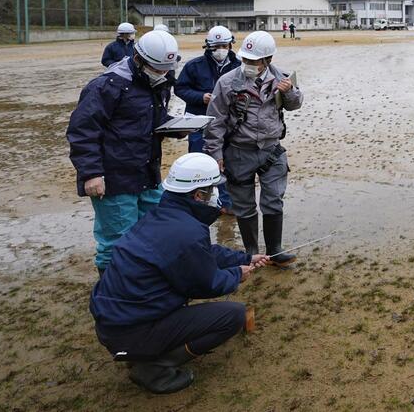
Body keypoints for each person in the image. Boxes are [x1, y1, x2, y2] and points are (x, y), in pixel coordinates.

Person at [90, 153, 269, 394]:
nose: (216, 195)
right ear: (198, 195)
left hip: (116, 324)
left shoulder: (161, 217)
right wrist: (236, 275)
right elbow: (207, 285)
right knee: (233, 316)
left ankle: (143, 349)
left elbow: (201, 252)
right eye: (212, 189)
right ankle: (154, 367)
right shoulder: (187, 231)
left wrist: (244, 258)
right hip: (132, 331)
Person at [68, 30, 180, 274]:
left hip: (147, 172)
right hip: (114, 178)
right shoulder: (106, 86)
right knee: (117, 242)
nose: (162, 74)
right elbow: (82, 131)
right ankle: (113, 297)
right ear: (139, 59)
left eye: (166, 69)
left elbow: (153, 118)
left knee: (153, 232)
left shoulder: (158, 82)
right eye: (158, 69)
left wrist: (177, 127)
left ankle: (142, 283)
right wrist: (91, 173)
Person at [205, 31, 302, 266]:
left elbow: (295, 105)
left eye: (253, 60)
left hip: (271, 150)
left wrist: (289, 91)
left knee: (273, 199)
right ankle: (250, 252)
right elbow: (214, 121)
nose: (247, 64)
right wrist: (215, 154)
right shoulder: (227, 82)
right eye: (245, 59)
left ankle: (275, 250)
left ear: (267, 59)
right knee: (243, 203)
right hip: (239, 150)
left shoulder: (282, 77)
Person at [175, 26, 241, 211]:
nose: (220, 50)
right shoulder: (194, 66)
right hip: (199, 122)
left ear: (230, 45)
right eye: (216, 46)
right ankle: (199, 203)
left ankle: (227, 203)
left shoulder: (239, 67)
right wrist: (200, 97)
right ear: (208, 47)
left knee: (226, 163)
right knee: (199, 163)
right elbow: (180, 88)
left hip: (228, 124)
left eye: (224, 45)